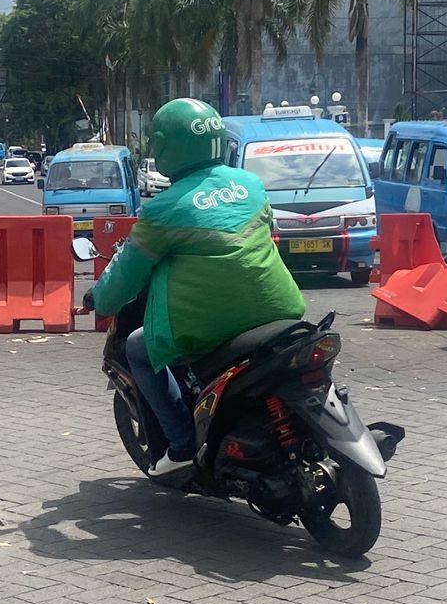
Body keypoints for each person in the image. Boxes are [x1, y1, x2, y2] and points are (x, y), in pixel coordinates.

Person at [88, 98, 306, 478]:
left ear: (165, 146)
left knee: (138, 347)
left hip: (213, 324)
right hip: (281, 309)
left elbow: (123, 279)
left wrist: (98, 298)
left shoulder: (163, 209)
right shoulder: (251, 185)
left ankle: (183, 444)